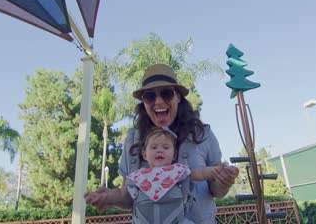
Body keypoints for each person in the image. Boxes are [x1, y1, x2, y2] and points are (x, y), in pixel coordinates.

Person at [85, 63, 239, 223]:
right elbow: (128, 196)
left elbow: (216, 190)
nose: (158, 101)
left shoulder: (202, 134)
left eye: (166, 94)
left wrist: (224, 181)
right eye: (150, 96)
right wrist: (108, 198)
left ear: (178, 97)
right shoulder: (133, 140)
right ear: (144, 102)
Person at [88, 127, 226, 223]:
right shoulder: (138, 176)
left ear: (174, 154)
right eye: (154, 147)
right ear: (144, 154)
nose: (159, 150)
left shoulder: (177, 171)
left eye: (166, 147)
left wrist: (216, 170)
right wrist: (104, 196)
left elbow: (200, 173)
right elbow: (121, 193)